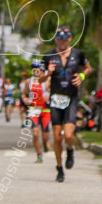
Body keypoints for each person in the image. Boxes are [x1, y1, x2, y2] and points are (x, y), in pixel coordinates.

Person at [41, 24, 92, 183]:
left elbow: (88, 68)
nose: (62, 41)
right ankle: (59, 168)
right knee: (56, 137)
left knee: (68, 135)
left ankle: (70, 149)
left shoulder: (78, 54)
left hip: (71, 98)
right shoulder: (48, 56)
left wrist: (82, 77)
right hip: (55, 99)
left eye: (65, 38)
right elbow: (40, 79)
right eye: (59, 38)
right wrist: (48, 73)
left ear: (69, 38)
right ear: (55, 39)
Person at [22, 61, 51, 163]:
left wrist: (49, 96)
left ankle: (45, 144)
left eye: (37, 67)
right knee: (35, 133)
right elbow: (23, 94)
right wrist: (25, 99)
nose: (36, 69)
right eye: (33, 67)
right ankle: (39, 155)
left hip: (45, 111)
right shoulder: (28, 82)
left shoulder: (48, 80)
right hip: (34, 110)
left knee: (45, 135)